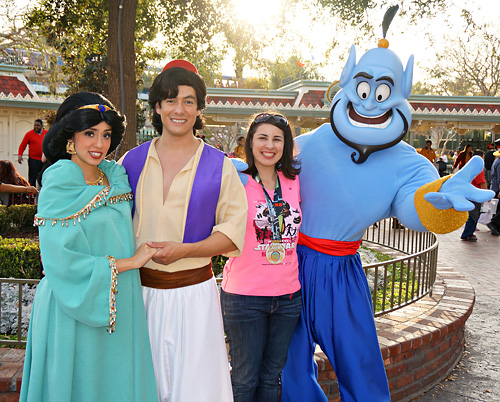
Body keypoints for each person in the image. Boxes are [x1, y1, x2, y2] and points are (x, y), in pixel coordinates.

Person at [120, 60, 247, 402]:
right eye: (171, 100)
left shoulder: (219, 165)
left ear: (199, 107)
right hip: (138, 293)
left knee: (197, 389)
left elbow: (233, 233)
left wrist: (185, 249)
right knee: (138, 386)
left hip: (194, 293)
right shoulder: (129, 162)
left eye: (188, 101)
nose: (179, 109)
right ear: (157, 106)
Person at [20, 92, 158, 402]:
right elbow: (61, 260)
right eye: (89, 133)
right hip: (70, 302)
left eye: (106, 134)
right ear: (70, 137)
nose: (99, 144)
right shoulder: (58, 181)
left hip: (120, 302)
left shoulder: (117, 178)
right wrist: (131, 263)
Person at [221, 112, 302, 402]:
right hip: (244, 297)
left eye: (277, 139)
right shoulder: (236, 179)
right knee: (244, 378)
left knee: (271, 377)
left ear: (285, 144)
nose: (270, 145)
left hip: (288, 298)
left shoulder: (293, 181)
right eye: (263, 138)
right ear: (251, 143)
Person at [460, 150, 488, 241]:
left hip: (470, 194)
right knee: (473, 215)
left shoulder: (470, 168)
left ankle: (469, 233)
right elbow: (482, 183)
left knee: (473, 215)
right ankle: (467, 233)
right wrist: (487, 194)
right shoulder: (478, 169)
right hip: (475, 195)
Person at [17, 119, 47, 186]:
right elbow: (22, 146)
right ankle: (31, 194)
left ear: (42, 126)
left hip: (44, 160)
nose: (36, 127)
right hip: (33, 160)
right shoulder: (29, 134)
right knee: (32, 178)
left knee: (44, 177)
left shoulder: (46, 133)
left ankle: (42, 193)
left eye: (38, 125)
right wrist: (20, 155)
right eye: (35, 125)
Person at [486, 148, 500, 236]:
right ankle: (494, 223)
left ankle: (496, 226)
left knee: (498, 208)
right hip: (497, 188)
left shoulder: (497, 161)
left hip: (495, 187)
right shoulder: (499, 163)